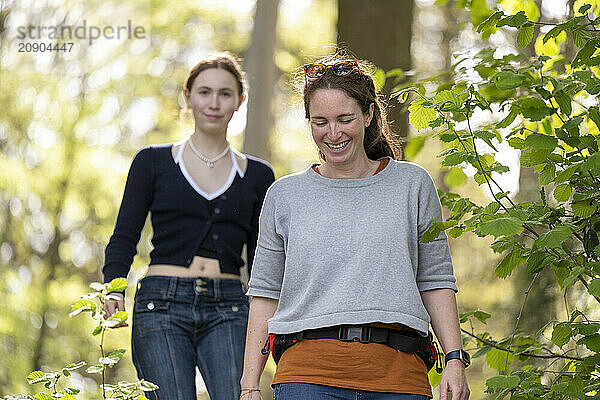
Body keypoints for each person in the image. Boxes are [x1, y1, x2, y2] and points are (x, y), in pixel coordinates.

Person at [239, 54, 470, 400]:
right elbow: (265, 294)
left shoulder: (412, 185)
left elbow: (435, 280)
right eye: (320, 122)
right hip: (307, 379)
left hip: (400, 380)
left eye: (344, 119)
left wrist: (454, 360)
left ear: (368, 114)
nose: (333, 134)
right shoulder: (284, 196)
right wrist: (249, 386)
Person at [101, 53, 275, 400]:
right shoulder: (152, 162)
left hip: (230, 307)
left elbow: (262, 260)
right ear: (188, 97)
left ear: (240, 101)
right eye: (204, 92)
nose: (214, 103)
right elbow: (124, 235)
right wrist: (113, 288)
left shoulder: (258, 175)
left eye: (225, 93)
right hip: (160, 305)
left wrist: (269, 319)